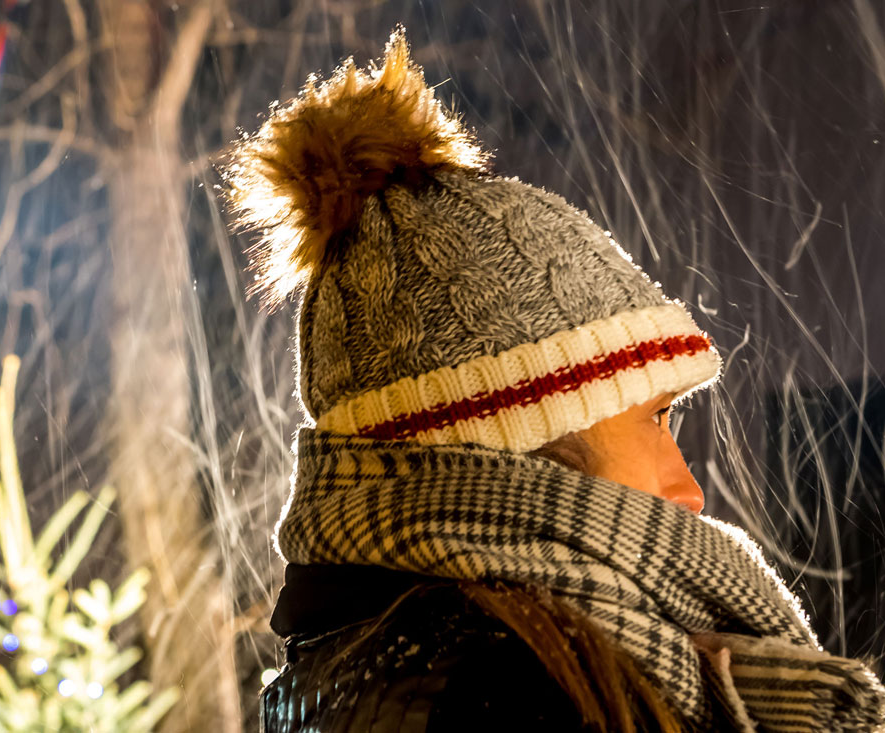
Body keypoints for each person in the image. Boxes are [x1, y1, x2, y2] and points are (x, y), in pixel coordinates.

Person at [223, 29, 885, 732]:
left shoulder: (371, 664)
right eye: (653, 419)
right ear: (517, 459)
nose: (687, 489)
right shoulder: (516, 694)